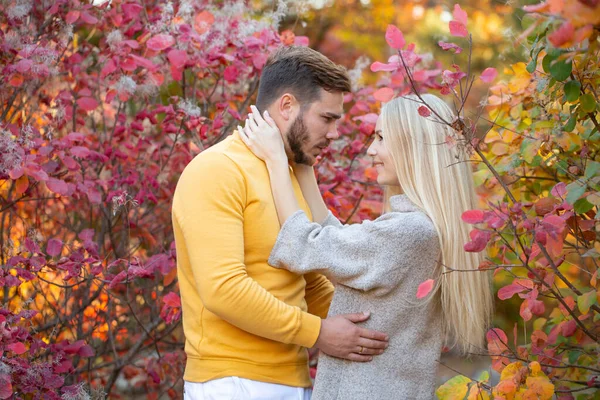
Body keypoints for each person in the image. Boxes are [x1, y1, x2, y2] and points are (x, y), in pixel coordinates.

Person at [239, 93, 494, 399]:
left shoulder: (409, 231)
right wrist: (303, 166)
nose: (372, 151)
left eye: (382, 138)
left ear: (414, 146)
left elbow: (303, 246)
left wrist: (276, 161)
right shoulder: (425, 227)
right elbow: (338, 243)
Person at [172, 46, 390, 400]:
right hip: (233, 381)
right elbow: (223, 289)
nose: (335, 133)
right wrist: (318, 333)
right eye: (327, 118)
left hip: (293, 380)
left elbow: (308, 282)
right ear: (287, 106)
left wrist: (366, 326)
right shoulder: (217, 169)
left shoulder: (286, 176)